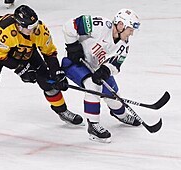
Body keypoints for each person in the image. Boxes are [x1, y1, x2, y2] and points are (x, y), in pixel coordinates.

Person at [0, 4, 81, 142]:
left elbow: (50, 53)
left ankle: (62, 111)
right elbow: (1, 57)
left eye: (35, 25)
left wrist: (57, 72)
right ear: (19, 25)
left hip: (23, 45)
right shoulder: (5, 32)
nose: (34, 29)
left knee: (47, 79)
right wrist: (21, 69)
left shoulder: (39, 30)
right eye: (30, 27)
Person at [61, 9, 142, 142]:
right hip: (74, 62)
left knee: (113, 95)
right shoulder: (100, 25)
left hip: (95, 67)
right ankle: (93, 126)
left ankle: (121, 115)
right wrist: (72, 46)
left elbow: (115, 65)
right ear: (121, 25)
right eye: (130, 29)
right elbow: (70, 26)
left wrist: (105, 70)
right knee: (93, 86)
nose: (131, 33)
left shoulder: (123, 45)